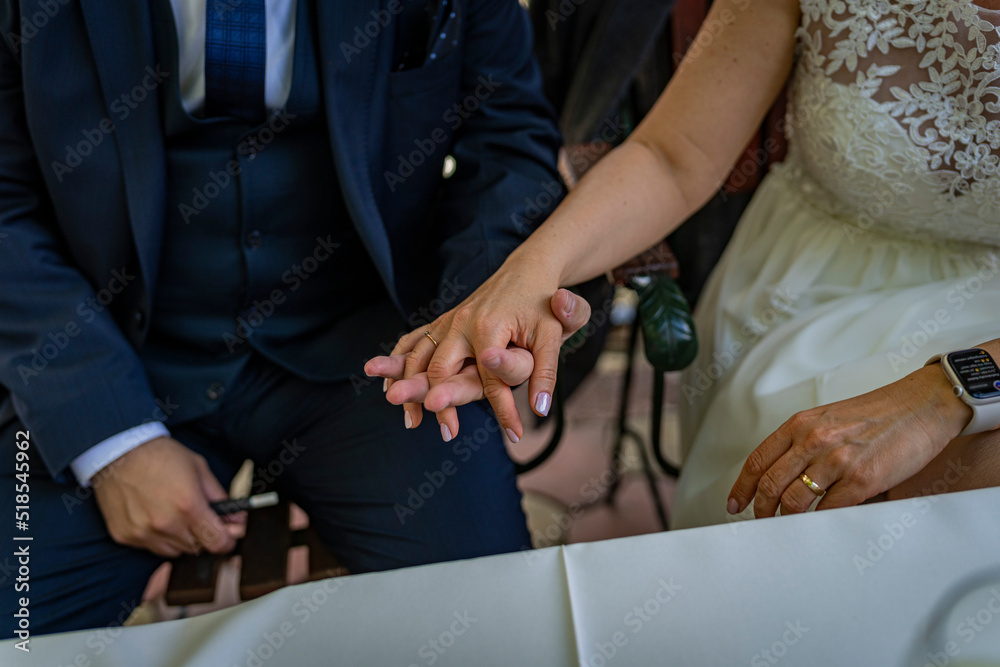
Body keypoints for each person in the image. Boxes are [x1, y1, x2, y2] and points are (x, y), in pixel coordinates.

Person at [0, 0, 589, 636]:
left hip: (380, 362)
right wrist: (110, 442)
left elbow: (508, 137)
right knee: (17, 625)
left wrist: (483, 305)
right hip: (112, 352)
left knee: (491, 630)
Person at [367, 0, 1000, 528]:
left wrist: (949, 391)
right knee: (832, 502)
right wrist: (526, 275)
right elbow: (674, 155)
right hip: (811, 290)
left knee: (965, 478)